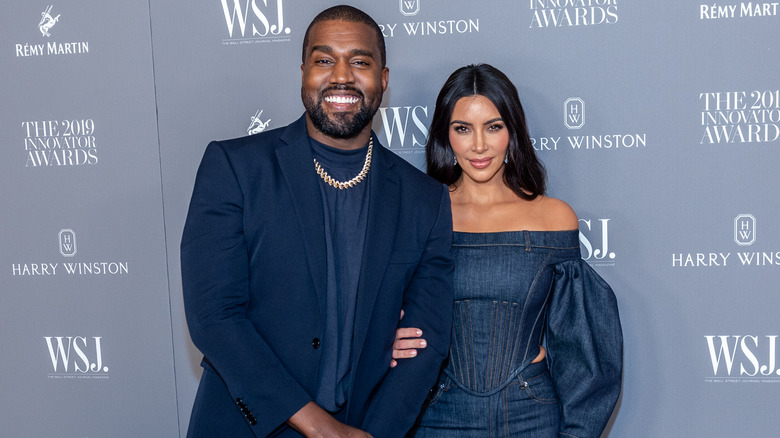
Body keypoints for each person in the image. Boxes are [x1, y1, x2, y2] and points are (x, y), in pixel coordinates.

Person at [180, 6, 454, 437]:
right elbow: (215, 317)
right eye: (324, 60)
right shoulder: (235, 168)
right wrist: (323, 429)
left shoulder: (425, 199)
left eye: (359, 62)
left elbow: (428, 339)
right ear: (303, 71)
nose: (341, 76)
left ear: (383, 79)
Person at [393, 64, 623, 437]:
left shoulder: (552, 217)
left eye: (494, 127)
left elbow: (581, 350)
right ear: (445, 136)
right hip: (435, 415)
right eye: (463, 128)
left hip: (530, 415)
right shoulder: (418, 216)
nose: (479, 145)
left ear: (512, 133)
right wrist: (384, 340)